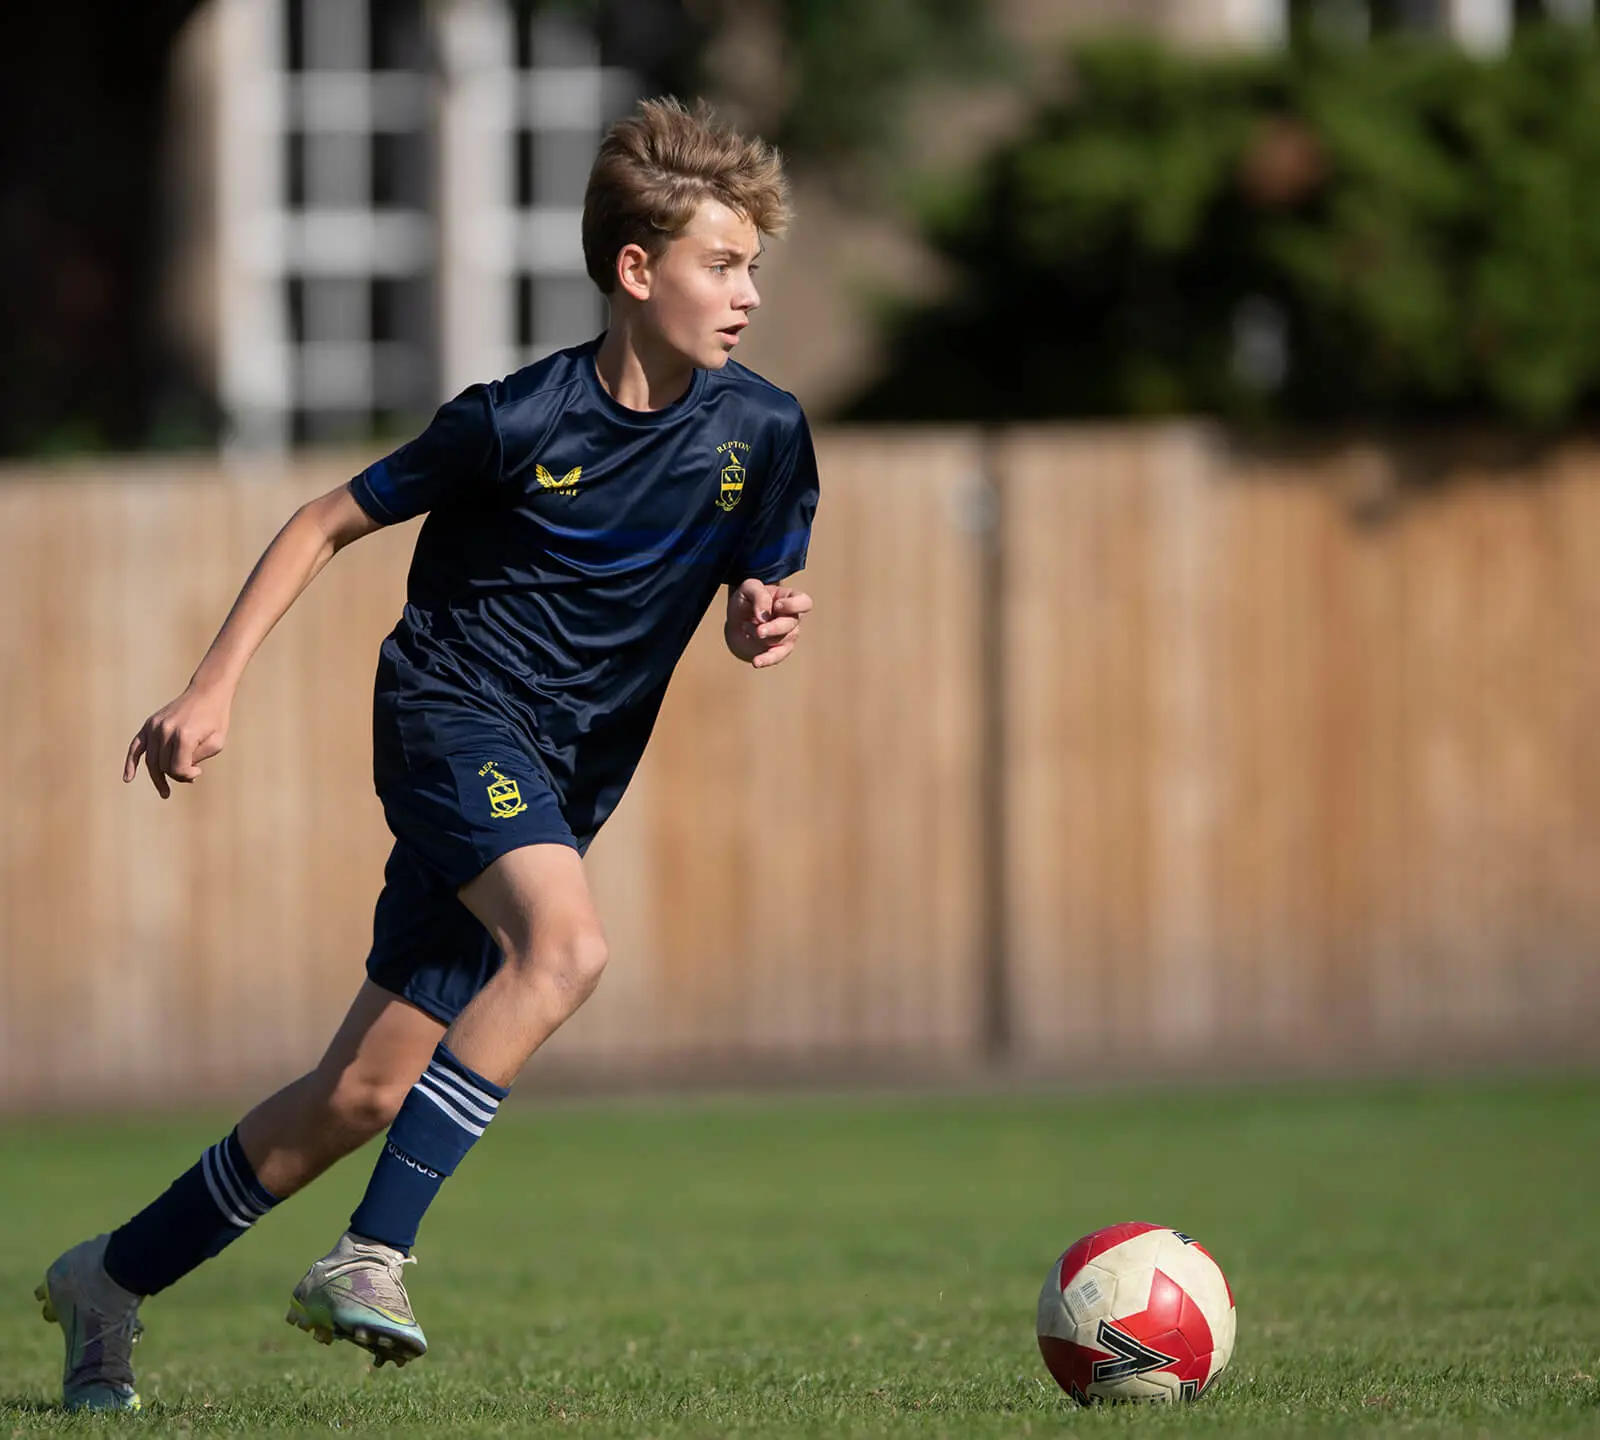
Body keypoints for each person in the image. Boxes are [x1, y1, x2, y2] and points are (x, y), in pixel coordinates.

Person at [36, 96, 818, 1412]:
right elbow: (320, 521)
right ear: (638, 270)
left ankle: (105, 1278)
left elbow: (759, 589)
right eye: (721, 264)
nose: (746, 293)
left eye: (752, 268)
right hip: (452, 722)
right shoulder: (515, 421)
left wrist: (760, 620)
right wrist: (210, 687)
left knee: (360, 1092)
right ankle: (372, 1254)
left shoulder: (765, 434)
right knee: (565, 949)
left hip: (562, 781)